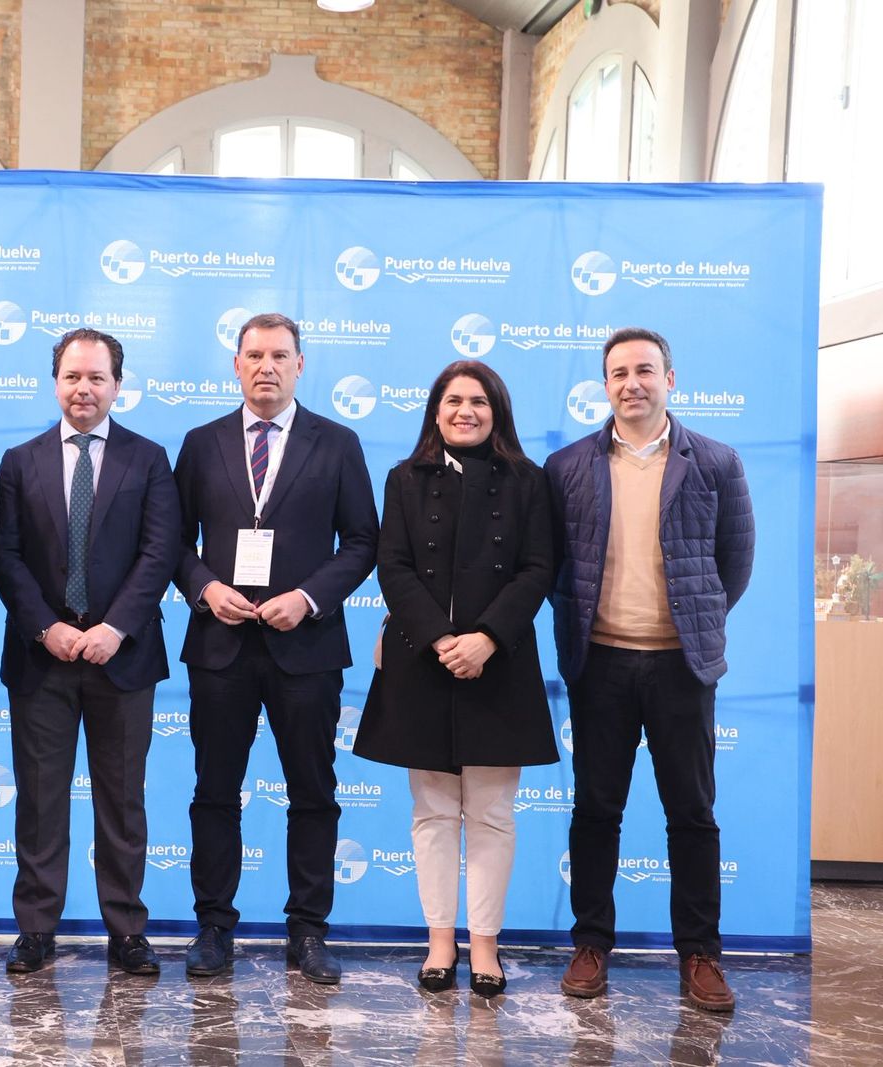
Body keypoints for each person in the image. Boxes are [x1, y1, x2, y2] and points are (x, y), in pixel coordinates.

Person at [546, 326, 753, 1013]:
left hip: (681, 666)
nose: (631, 382)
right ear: (604, 385)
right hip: (598, 662)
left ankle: (699, 955)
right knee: (595, 810)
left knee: (691, 812)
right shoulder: (569, 465)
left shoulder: (717, 462)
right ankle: (590, 945)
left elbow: (733, 565)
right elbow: (553, 569)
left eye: (644, 370)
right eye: (618, 373)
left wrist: (691, 622)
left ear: (671, 379)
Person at [172, 312, 379, 984]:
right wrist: (204, 587)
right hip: (222, 642)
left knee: (313, 792)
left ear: (300, 364)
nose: (266, 366)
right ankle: (212, 927)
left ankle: (309, 931)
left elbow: (363, 541)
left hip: (307, 645)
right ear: (236, 365)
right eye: (254, 354)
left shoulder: (338, 441)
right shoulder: (201, 444)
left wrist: (311, 597)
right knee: (214, 792)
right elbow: (170, 542)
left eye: (279, 355)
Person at [352, 360, 558, 998]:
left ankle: (486, 946)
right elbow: (393, 565)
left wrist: (486, 639)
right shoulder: (403, 479)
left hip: (499, 663)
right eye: (452, 401)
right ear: (434, 411)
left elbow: (538, 568)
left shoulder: (527, 480)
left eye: (478, 401)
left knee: (493, 813)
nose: (464, 411)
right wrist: (442, 640)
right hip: (424, 662)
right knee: (434, 813)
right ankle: (441, 941)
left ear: (498, 410)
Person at [0, 328, 180, 976]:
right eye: (72, 376)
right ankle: (36, 929)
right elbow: (5, 557)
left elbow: (160, 553)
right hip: (43, 657)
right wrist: (47, 627)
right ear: (55, 382)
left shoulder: (149, 458)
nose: (84, 388)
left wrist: (115, 628)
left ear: (117, 386)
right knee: (40, 800)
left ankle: (126, 929)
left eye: (97, 377)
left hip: (121, 659)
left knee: (122, 800)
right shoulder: (18, 460)